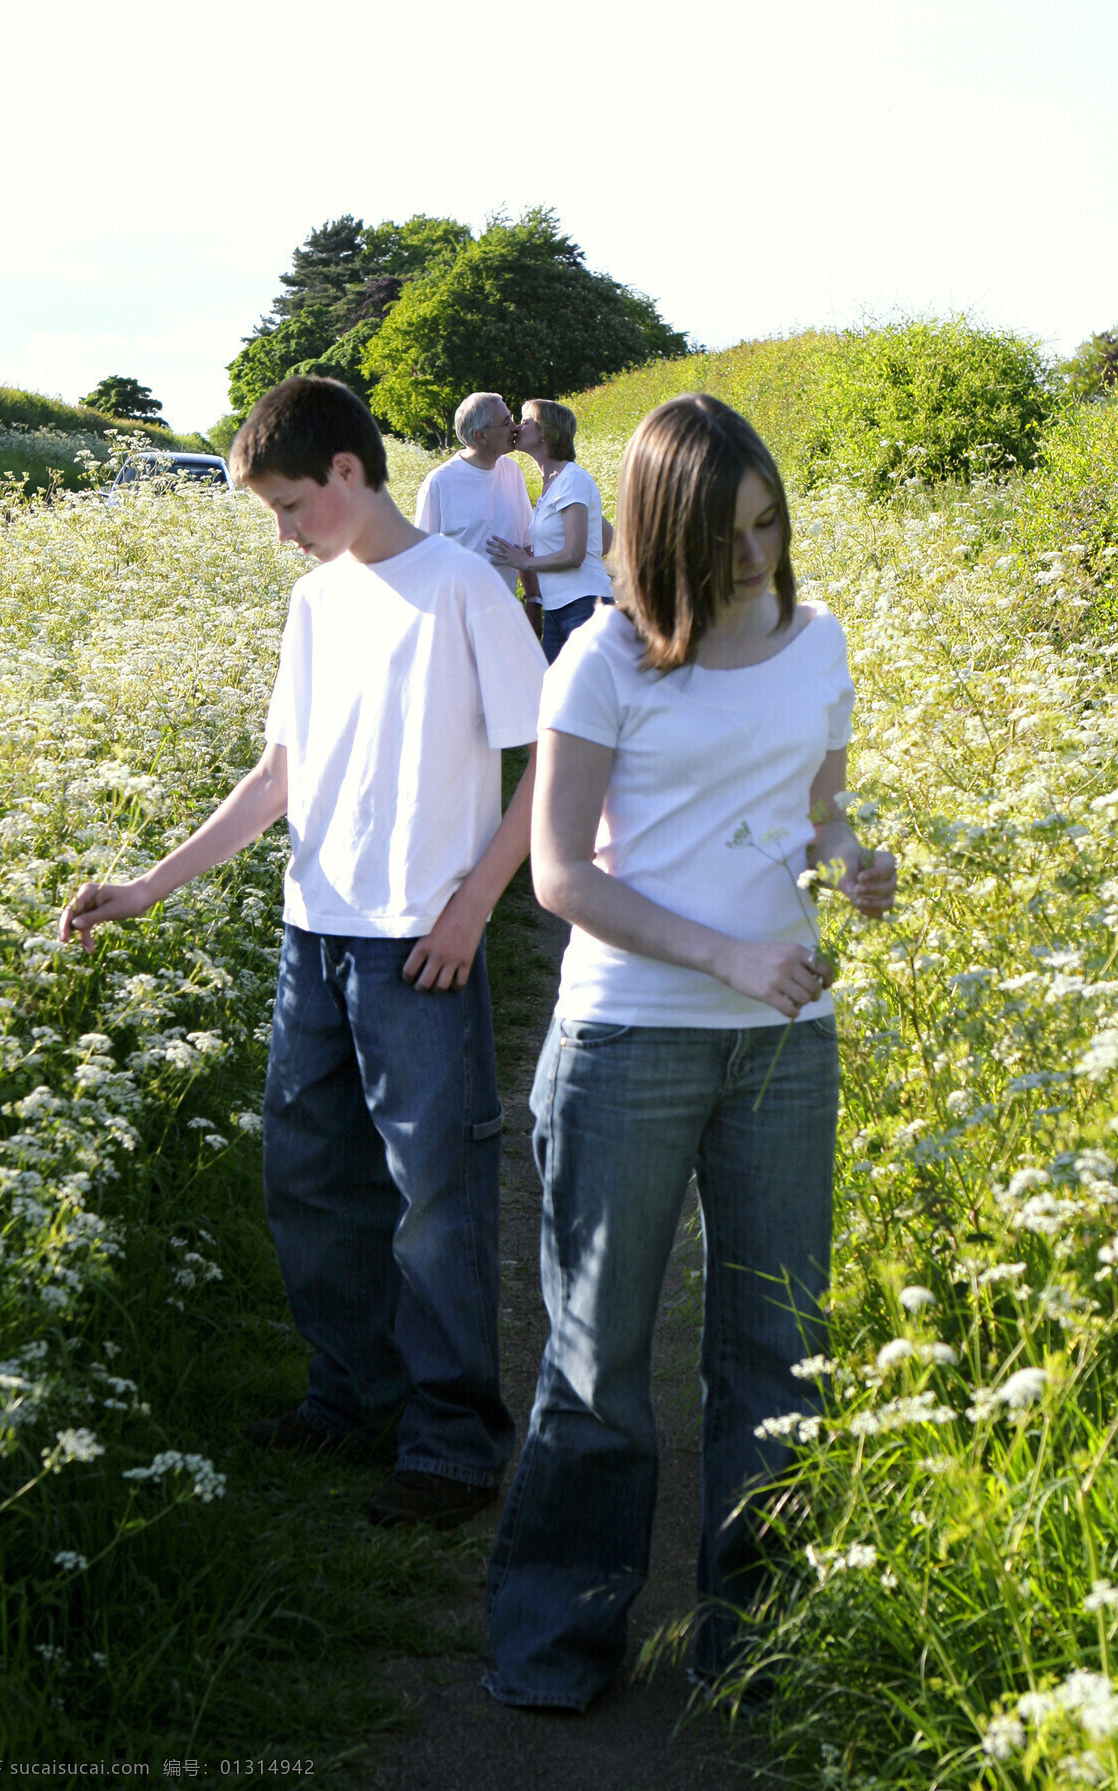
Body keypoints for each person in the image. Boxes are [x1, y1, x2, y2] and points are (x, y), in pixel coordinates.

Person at [58, 376, 548, 1533]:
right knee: (310, 1183)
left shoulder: (464, 590)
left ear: (345, 472)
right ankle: (352, 1399)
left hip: (421, 947)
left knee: (435, 1196)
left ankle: (452, 1437)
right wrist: (146, 887)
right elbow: (278, 780)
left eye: (287, 505)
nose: (280, 533)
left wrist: (476, 907)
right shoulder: (318, 604)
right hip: (311, 934)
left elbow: (543, 770)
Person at [484, 395, 897, 1707]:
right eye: (727, 535)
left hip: (787, 1045)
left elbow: (818, 810)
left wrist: (854, 863)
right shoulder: (601, 662)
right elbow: (557, 875)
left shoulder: (817, 637)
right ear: (663, 534)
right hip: (629, 1039)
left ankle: (756, 1639)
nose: (757, 555)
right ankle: (561, 1632)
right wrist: (724, 955)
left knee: (777, 1351)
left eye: (770, 523)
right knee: (598, 1356)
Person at [488, 400, 614, 664]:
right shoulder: (555, 483)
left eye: (526, 421)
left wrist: (525, 562)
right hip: (557, 609)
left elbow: (574, 555)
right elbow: (606, 538)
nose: (518, 426)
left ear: (546, 431)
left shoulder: (571, 479)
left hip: (583, 607)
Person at [414, 391, 542, 633]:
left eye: (511, 418)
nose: (515, 428)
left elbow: (526, 544)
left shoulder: (511, 472)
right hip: (455, 623)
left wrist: (534, 603)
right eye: (506, 423)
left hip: (505, 620)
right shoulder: (440, 482)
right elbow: (422, 561)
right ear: (480, 435)